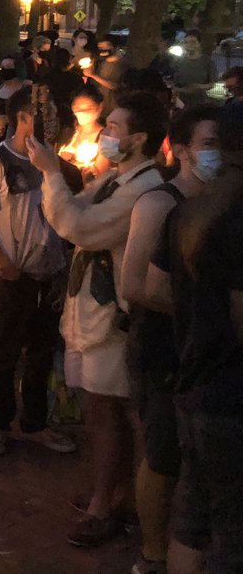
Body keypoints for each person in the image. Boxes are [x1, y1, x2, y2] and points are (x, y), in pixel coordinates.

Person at [26, 91, 168, 547]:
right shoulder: (119, 180)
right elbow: (80, 209)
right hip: (92, 313)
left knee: (109, 412)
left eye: (114, 129)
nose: (105, 135)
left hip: (113, 320)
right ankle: (118, 493)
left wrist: (51, 174)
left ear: (140, 138)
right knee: (107, 410)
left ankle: (108, 505)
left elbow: (79, 227)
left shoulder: (142, 191)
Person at [120, 106, 220, 574]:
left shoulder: (220, 205)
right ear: (179, 150)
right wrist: (204, 309)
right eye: (208, 144)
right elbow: (134, 285)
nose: (216, 155)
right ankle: (153, 551)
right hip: (161, 345)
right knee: (161, 453)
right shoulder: (159, 203)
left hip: (201, 348)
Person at [156, 102, 243, 573]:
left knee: (193, 518)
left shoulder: (191, 214)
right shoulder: (233, 220)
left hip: (195, 377)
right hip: (230, 393)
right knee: (233, 534)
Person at [0, 87, 75, 457]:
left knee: (41, 352)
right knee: (3, 351)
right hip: (11, 275)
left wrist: (61, 266)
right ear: (22, 119)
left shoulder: (55, 162)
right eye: (41, 116)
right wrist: (5, 262)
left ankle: (36, 421)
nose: (50, 124)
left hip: (48, 273)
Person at [58, 85, 111, 180]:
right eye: (77, 108)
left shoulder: (108, 138)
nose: (82, 112)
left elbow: (102, 177)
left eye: (88, 108)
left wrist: (72, 161)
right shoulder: (68, 131)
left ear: (99, 107)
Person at [168, 30, 216, 107]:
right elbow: (170, 80)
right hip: (180, 100)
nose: (189, 45)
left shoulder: (207, 61)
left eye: (193, 42)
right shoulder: (177, 60)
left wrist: (198, 86)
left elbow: (212, 83)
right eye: (186, 42)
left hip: (199, 100)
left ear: (199, 43)